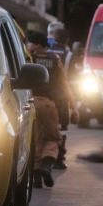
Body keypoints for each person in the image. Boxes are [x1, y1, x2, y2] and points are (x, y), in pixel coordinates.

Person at [26, 31, 77, 188]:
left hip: (31, 103)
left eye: (30, 42)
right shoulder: (55, 60)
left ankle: (36, 179)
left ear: (38, 45)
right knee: (53, 138)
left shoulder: (28, 59)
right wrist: (74, 107)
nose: (27, 45)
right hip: (49, 105)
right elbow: (64, 85)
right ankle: (47, 166)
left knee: (35, 140)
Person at [47, 28, 80, 169]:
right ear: (67, 40)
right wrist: (76, 100)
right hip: (62, 96)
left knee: (46, 126)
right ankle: (58, 159)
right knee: (62, 127)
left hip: (45, 94)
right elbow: (73, 80)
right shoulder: (70, 56)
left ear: (54, 38)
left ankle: (45, 156)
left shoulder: (45, 53)